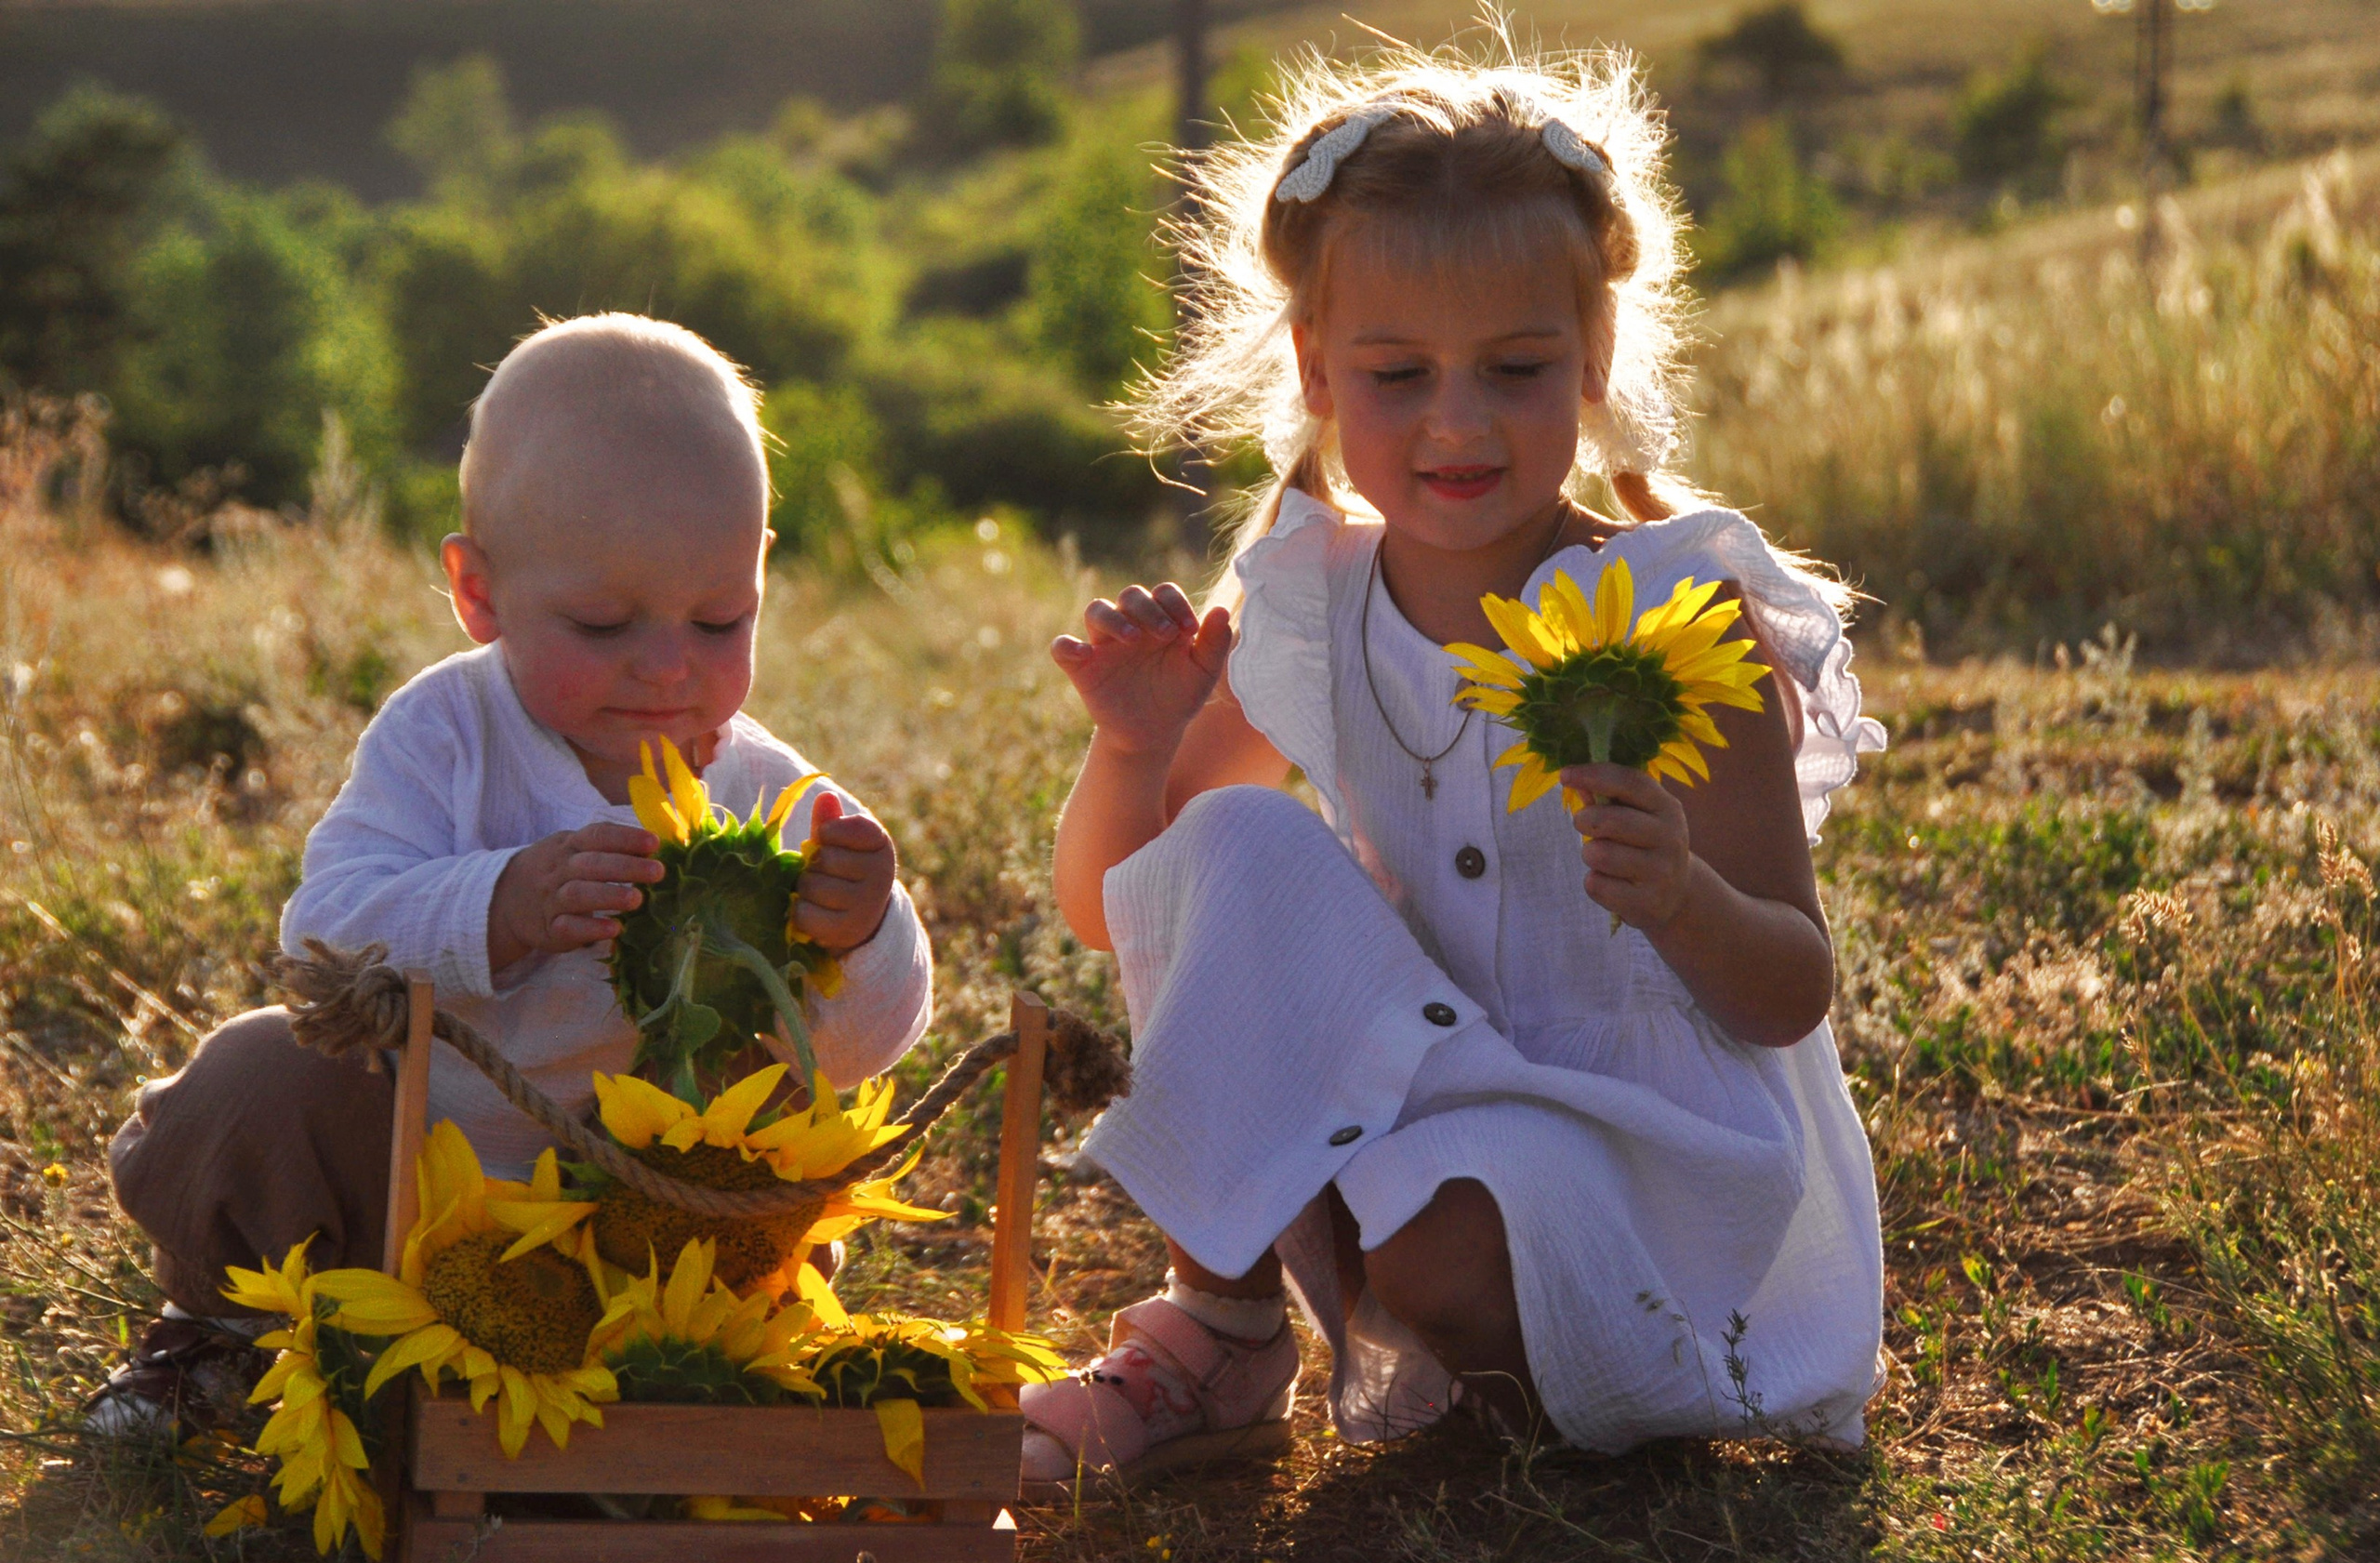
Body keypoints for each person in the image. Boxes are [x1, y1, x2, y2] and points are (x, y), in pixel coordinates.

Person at [1023, 42, 1888, 1487]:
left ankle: (1613, 1383)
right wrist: (1135, 747)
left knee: (1439, 1241)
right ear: (1316, 370)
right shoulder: (1314, 593)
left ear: (1595, 357)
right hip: (1419, 1093)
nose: (1457, 423)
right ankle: (1220, 1331)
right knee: (1237, 843)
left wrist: (1680, 894)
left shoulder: (1673, 619)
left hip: (1645, 1154)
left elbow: (1790, 986)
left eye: (1517, 368)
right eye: (1398, 373)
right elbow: (1136, 910)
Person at [93, 312, 933, 1433]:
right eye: (601, 623)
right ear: (478, 591)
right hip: (401, 1192)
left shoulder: (771, 793)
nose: (669, 665)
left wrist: (860, 933)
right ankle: (222, 1332)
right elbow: (322, 932)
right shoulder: (445, 735)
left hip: (645, 1235)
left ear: (761, 576)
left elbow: (862, 1053)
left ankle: (663, 1401)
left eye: (720, 617)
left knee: (778, 1121)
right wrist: (496, 904)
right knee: (257, 1070)